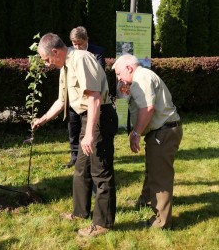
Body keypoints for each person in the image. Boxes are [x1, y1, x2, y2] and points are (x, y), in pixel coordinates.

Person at [32, 33, 118, 237]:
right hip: (87, 119)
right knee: (82, 168)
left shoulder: (81, 59)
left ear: (55, 51)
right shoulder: (65, 67)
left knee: (101, 172)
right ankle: (80, 212)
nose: (47, 64)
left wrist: (89, 135)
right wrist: (42, 119)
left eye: (46, 59)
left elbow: (95, 98)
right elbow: (62, 101)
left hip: (99, 118)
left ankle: (103, 223)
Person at [112, 54, 183, 229]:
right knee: (153, 168)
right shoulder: (136, 80)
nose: (118, 78)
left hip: (164, 131)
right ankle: (146, 200)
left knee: (161, 177)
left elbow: (148, 108)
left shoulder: (141, 77)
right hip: (160, 131)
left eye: (119, 74)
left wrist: (136, 133)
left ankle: (162, 222)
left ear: (129, 68)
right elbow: (138, 104)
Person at [65, 26, 106, 168]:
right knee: (73, 129)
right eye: (74, 43)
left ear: (86, 39)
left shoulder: (97, 52)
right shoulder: (69, 53)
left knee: (87, 130)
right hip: (74, 100)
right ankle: (74, 156)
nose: (76, 47)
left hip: (89, 100)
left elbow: (97, 74)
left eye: (79, 43)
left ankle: (88, 156)